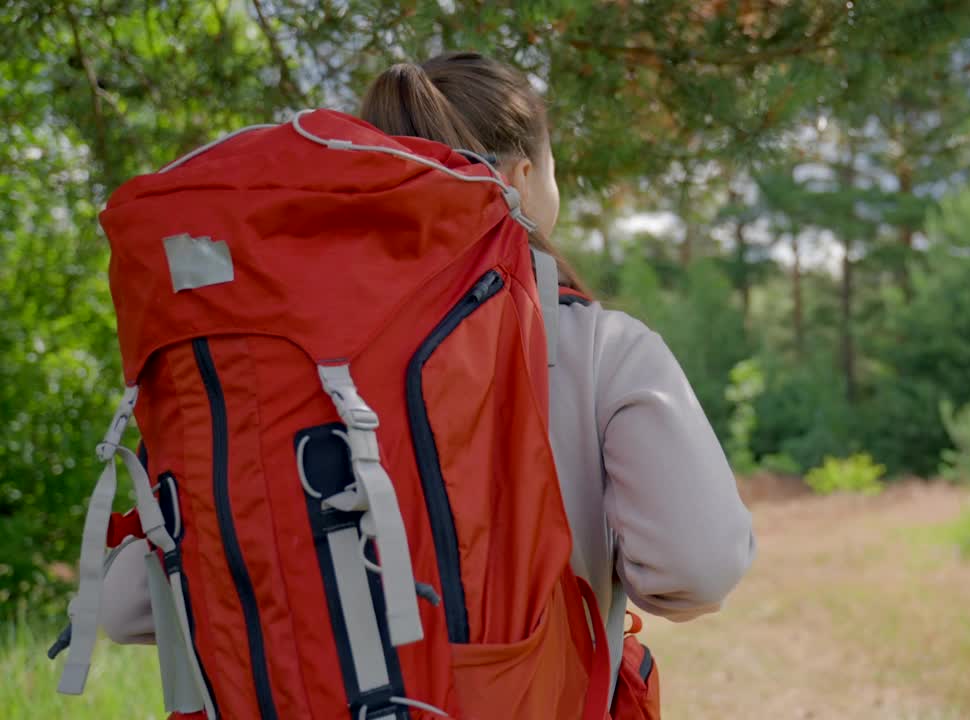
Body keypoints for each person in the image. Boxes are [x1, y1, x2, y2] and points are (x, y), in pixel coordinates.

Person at [101, 51, 755, 709]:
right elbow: (700, 566)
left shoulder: (264, 357)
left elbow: (129, 604)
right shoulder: (601, 347)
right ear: (525, 178)